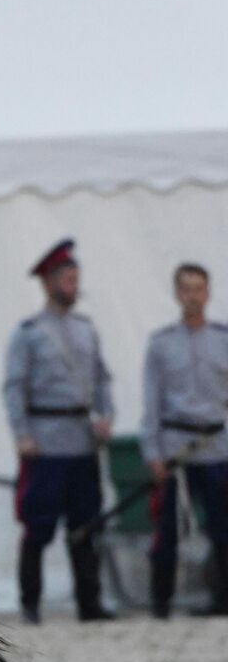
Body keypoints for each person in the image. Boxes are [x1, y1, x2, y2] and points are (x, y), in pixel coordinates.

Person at [3, 240, 115, 624]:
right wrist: (23, 435)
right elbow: (14, 387)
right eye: (67, 278)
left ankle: (90, 603)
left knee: (86, 525)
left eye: (75, 278)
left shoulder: (87, 329)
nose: (73, 285)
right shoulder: (29, 333)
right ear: (49, 282)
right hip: (46, 442)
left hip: (83, 440)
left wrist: (106, 416)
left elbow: (102, 380)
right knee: (39, 526)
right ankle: (30, 604)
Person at [142, 262, 228, 618]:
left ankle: (222, 599)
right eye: (186, 289)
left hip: (218, 448)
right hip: (176, 448)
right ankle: (161, 602)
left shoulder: (223, 339)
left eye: (199, 289)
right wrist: (153, 451)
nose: (193, 296)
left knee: (223, 529)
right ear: (178, 294)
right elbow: (152, 400)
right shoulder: (162, 345)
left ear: (207, 293)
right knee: (168, 530)